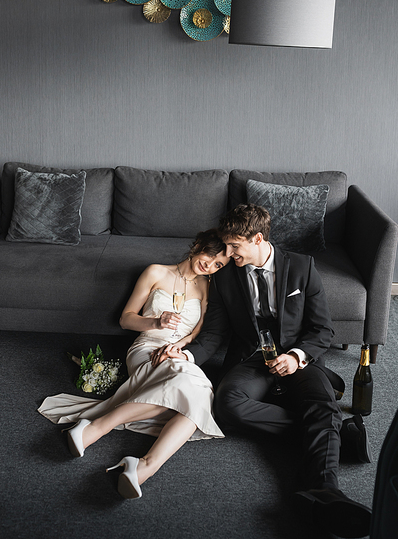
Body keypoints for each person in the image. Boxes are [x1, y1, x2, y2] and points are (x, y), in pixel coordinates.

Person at [158, 204, 372, 539]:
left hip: (299, 358)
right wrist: (185, 355)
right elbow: (214, 333)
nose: (227, 254)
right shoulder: (225, 276)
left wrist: (298, 356)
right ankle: (333, 435)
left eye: (234, 247)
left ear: (258, 239)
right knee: (226, 405)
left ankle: (325, 493)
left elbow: (323, 330)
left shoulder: (302, 268)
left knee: (322, 404)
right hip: (252, 359)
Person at [38, 229, 229, 500]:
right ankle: (96, 430)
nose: (209, 265)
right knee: (196, 392)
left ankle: (142, 468)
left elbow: (197, 331)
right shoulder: (156, 272)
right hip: (148, 347)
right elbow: (126, 319)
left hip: (176, 352)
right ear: (197, 245)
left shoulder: (207, 287)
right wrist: (156, 323)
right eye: (209, 256)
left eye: (218, 264)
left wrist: (179, 346)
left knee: (197, 394)